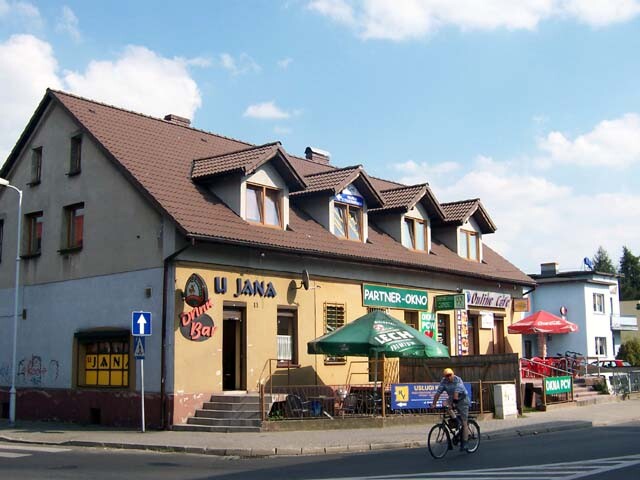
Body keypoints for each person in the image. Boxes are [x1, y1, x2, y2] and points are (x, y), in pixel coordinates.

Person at [431, 367, 470, 452]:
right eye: (446, 376)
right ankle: (456, 419)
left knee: (464, 422)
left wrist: (453, 405)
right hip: (452, 397)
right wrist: (433, 404)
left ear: (453, 374)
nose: (448, 377)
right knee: (444, 404)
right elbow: (438, 393)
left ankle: (465, 442)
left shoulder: (457, 380)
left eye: (450, 375)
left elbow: (456, 395)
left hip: (462, 399)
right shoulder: (444, 381)